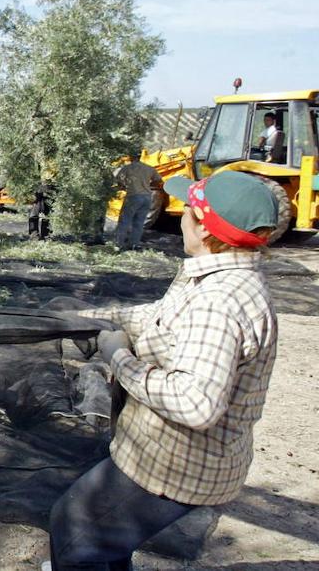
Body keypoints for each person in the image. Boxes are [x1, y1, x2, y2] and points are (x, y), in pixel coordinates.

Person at [45, 170, 279, 571]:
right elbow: (156, 317)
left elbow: (195, 405)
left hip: (177, 466)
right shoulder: (215, 275)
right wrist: (85, 318)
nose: (179, 214)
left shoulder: (219, 300)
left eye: (187, 209)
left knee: (75, 531)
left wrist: (119, 357)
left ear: (205, 227)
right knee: (99, 539)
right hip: (162, 454)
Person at [112, 152, 163, 250]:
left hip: (133, 196)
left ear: (130, 156)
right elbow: (158, 180)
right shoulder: (149, 168)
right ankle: (133, 244)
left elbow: (118, 181)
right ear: (140, 156)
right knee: (139, 223)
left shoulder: (127, 168)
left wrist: (123, 186)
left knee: (124, 221)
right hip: (147, 198)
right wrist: (148, 184)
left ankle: (118, 244)